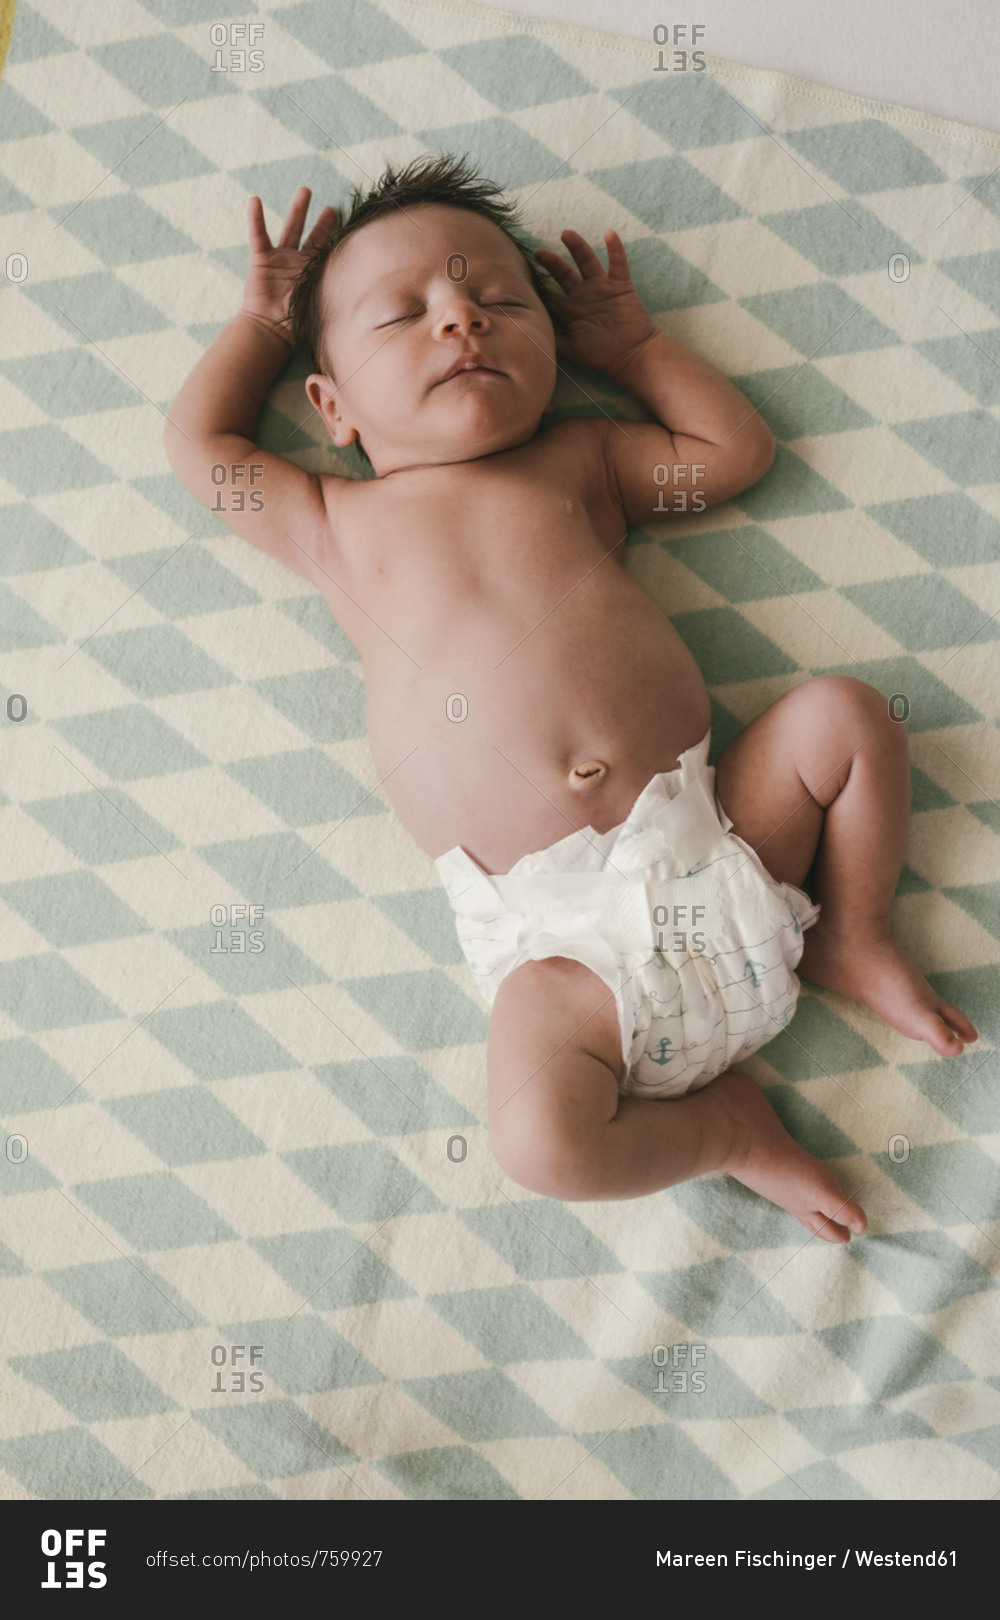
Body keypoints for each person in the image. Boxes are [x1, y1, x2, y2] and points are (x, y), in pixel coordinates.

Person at [163, 154, 978, 1244]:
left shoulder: (581, 462)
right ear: (331, 404)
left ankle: (852, 932)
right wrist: (261, 326)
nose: (462, 320)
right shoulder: (332, 524)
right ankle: (725, 1136)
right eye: (404, 315)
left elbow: (729, 454)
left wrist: (637, 348)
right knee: (541, 1144)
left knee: (849, 716)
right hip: (560, 949)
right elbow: (202, 449)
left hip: (723, 845)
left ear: (552, 349)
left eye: (499, 301)